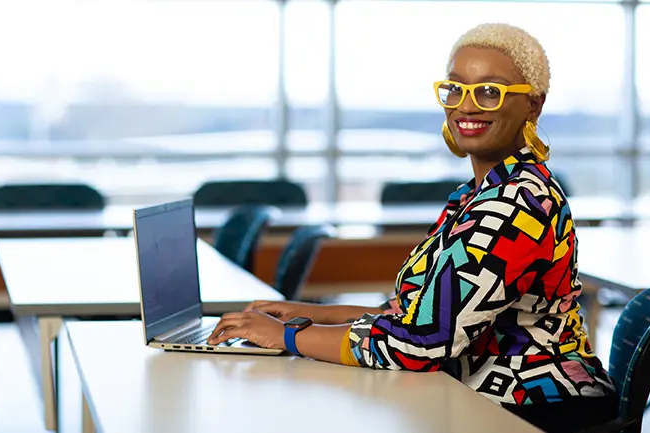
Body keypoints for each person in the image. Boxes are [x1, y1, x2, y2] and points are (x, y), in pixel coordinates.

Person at [208, 22, 618, 432]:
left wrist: (288, 338)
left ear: (533, 105)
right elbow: (413, 315)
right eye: (455, 88)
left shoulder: (518, 204)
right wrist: (309, 316)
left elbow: (422, 343)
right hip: (481, 394)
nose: (467, 106)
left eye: (489, 91)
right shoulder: (474, 195)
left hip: (537, 407)